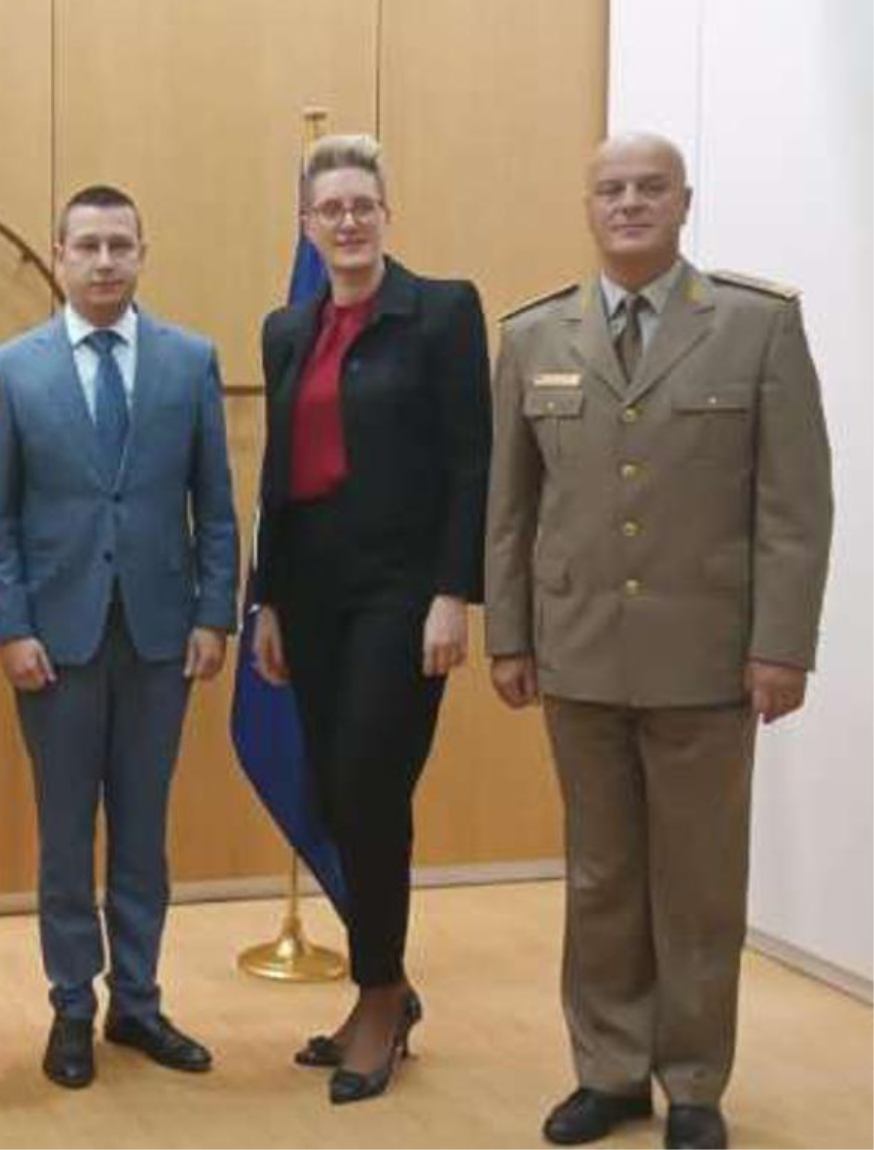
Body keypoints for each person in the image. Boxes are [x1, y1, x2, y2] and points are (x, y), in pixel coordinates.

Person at [486, 133, 833, 1150]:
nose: (630, 203)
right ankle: (608, 1071)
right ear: (588, 205)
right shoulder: (535, 335)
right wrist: (510, 634)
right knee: (599, 878)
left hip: (707, 658)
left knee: (698, 885)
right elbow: (510, 508)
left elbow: (795, 506)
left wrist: (783, 644)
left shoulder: (756, 326)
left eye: (650, 188)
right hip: (580, 652)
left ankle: (693, 1084)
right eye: (611, 189)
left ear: (686, 202)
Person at [249, 135, 492, 1103]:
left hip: (402, 592)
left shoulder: (443, 311)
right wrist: (267, 599)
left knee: (370, 786)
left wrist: (453, 592)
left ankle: (381, 998)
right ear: (306, 226)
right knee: (337, 791)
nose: (347, 221)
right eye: (330, 209)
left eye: (362, 204)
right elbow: (277, 476)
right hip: (311, 595)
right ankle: (383, 987)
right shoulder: (286, 328)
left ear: (387, 212)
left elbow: (472, 459)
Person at [0, 184, 238, 1089]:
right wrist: (10, 626)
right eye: (86, 245)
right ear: (58, 255)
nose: (103, 261)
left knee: (142, 829)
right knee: (64, 835)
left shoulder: (189, 360)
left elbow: (217, 506)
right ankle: (70, 1005)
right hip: (56, 641)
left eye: (119, 245)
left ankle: (137, 999)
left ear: (141, 253)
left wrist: (215, 612)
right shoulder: (13, 369)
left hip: (162, 637)